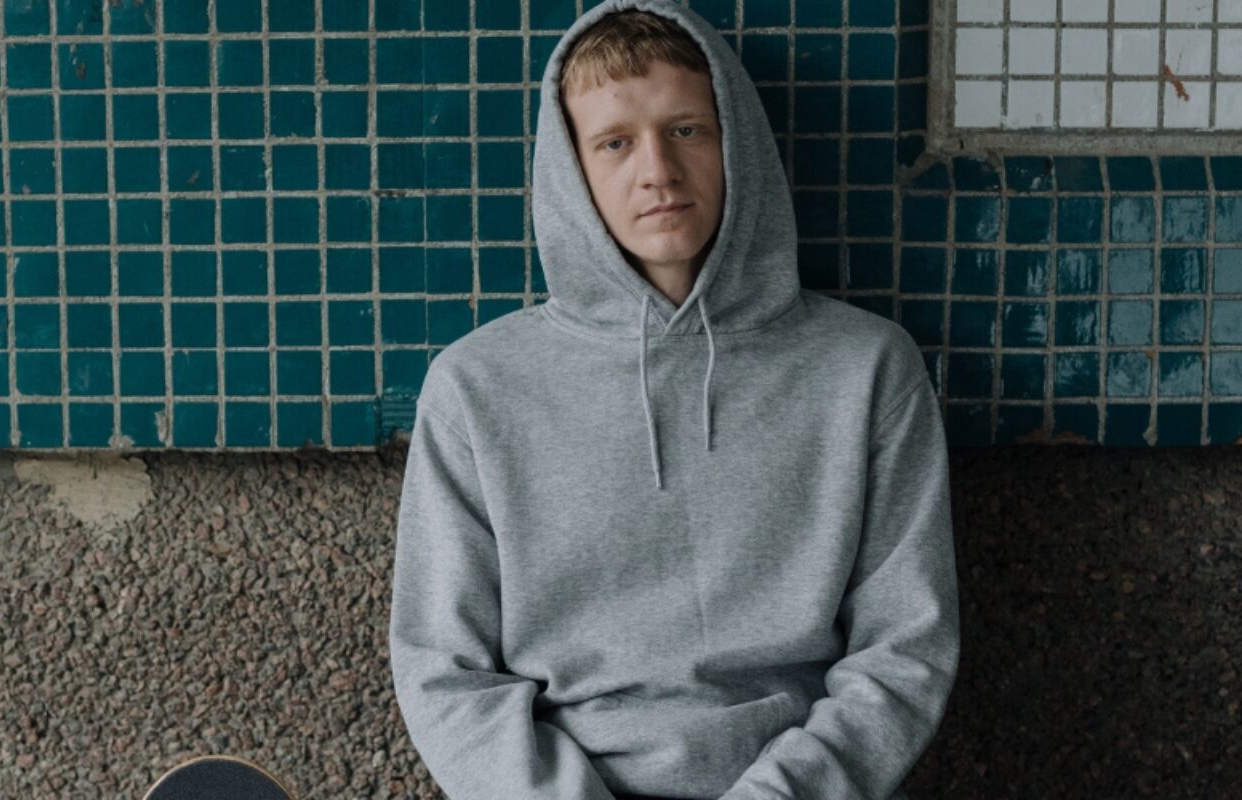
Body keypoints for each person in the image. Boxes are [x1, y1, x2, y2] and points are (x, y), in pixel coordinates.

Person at [386, 2, 960, 799]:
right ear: (571, 167)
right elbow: (442, 670)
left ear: (737, 144)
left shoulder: (865, 369)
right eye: (615, 143)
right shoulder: (477, 388)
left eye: (686, 130)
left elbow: (905, 650)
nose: (656, 169)